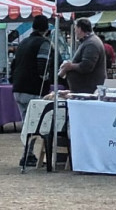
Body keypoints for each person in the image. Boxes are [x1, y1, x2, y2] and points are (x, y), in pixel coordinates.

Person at [11, 15, 53, 167]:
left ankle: (28, 153)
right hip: (33, 88)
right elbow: (43, 63)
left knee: (26, 122)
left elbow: (14, 64)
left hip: (18, 87)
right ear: (46, 29)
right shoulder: (44, 43)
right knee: (35, 124)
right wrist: (46, 77)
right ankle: (27, 154)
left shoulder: (22, 43)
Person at [59, 18, 106, 93]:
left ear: (80, 29)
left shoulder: (92, 43)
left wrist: (70, 66)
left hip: (88, 90)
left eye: (75, 29)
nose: (75, 32)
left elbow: (86, 66)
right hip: (83, 90)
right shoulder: (87, 42)